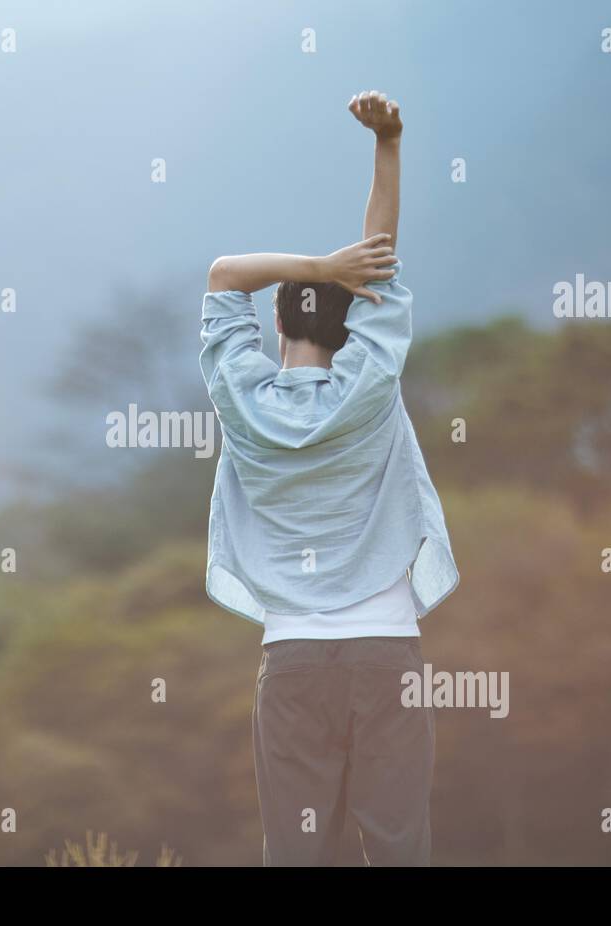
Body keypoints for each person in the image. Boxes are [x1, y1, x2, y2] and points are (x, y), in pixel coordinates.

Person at [200, 91, 459, 865]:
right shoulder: (372, 384)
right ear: (355, 327)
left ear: (275, 323)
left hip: (292, 664)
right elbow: (379, 252)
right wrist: (389, 141)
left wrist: (317, 267)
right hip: (387, 656)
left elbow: (221, 273)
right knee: (400, 849)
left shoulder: (240, 399)